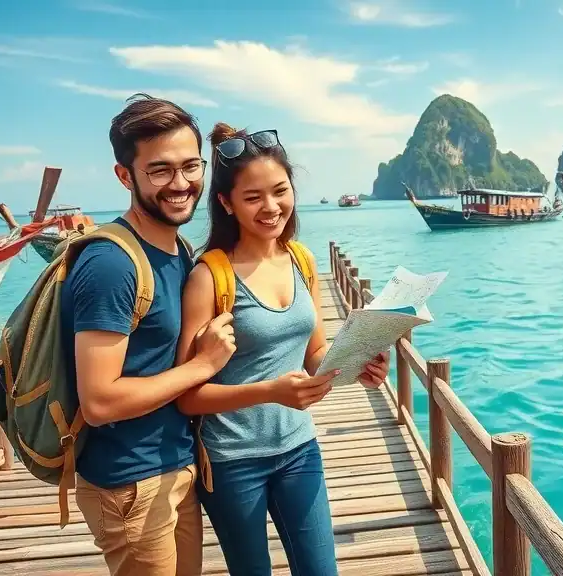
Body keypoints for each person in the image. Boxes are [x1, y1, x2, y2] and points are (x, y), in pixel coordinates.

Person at [173, 123, 390, 575]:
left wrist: (357, 363)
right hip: (232, 463)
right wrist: (270, 391)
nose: (271, 208)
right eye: (253, 198)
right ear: (226, 204)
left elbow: (314, 353)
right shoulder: (208, 277)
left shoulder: (301, 260)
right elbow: (188, 395)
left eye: (280, 191)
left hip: (299, 448)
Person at [61, 94, 231, 576]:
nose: (181, 184)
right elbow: (99, 401)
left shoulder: (177, 248)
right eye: (159, 171)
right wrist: (201, 367)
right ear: (125, 176)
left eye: (191, 166)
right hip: (128, 483)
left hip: (175, 464)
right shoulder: (112, 264)